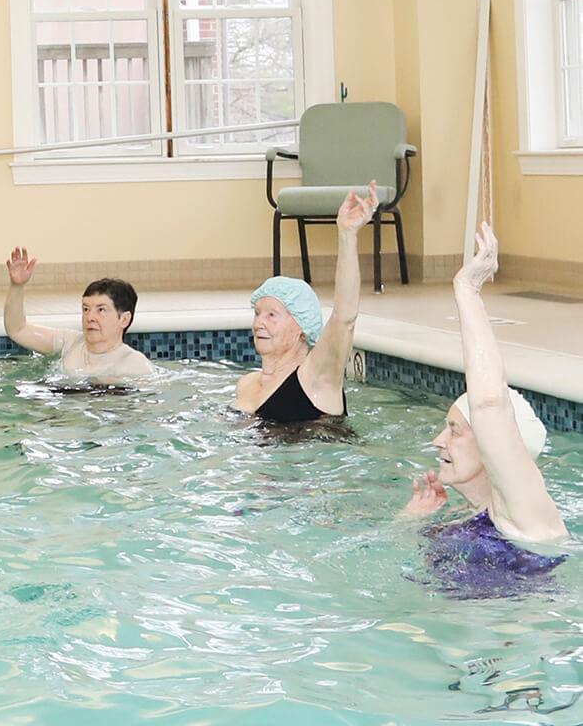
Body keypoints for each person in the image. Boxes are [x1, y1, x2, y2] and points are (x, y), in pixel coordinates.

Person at [400, 222, 569, 595]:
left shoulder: (526, 513)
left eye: (455, 429)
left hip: (512, 648)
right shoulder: (462, 520)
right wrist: (411, 521)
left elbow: (490, 403)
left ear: (497, 444)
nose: (438, 440)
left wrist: (467, 290)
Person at [234, 181, 378, 422]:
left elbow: (344, 319)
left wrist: (347, 235)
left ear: (302, 326)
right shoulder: (247, 384)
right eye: (257, 313)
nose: (259, 323)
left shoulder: (317, 379)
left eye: (272, 315)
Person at [3, 248, 152, 378]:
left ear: (124, 319)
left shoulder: (135, 365)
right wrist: (17, 286)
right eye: (86, 309)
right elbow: (18, 330)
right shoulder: (70, 343)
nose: (90, 317)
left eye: (101, 310)